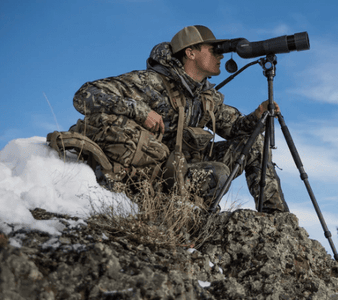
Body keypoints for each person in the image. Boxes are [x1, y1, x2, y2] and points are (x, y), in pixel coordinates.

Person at [71, 25, 289, 213]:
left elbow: (235, 129)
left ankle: (275, 219)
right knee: (218, 173)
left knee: (255, 145)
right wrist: (140, 111)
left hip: (187, 166)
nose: (221, 56)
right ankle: (187, 214)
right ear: (190, 53)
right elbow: (85, 94)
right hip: (155, 173)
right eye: (214, 50)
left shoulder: (206, 96)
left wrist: (257, 116)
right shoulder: (151, 82)